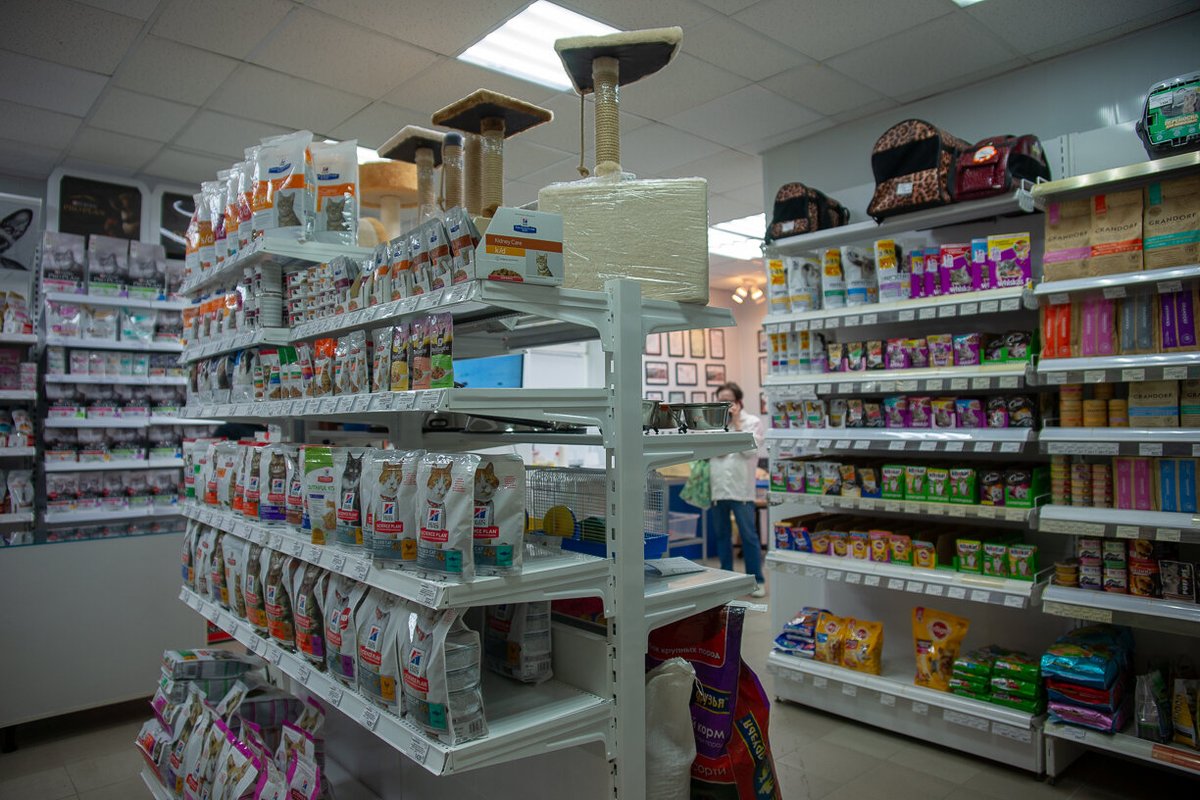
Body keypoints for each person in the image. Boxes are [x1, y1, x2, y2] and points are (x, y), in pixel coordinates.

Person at [709, 382, 766, 597]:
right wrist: (725, 427)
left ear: (739, 402)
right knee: (722, 536)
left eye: (729, 401)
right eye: (721, 401)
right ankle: (726, 580)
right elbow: (714, 452)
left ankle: (756, 580)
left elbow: (749, 451)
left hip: (742, 490)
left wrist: (735, 423)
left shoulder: (752, 422)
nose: (725, 405)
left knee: (748, 536)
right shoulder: (713, 424)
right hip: (718, 489)